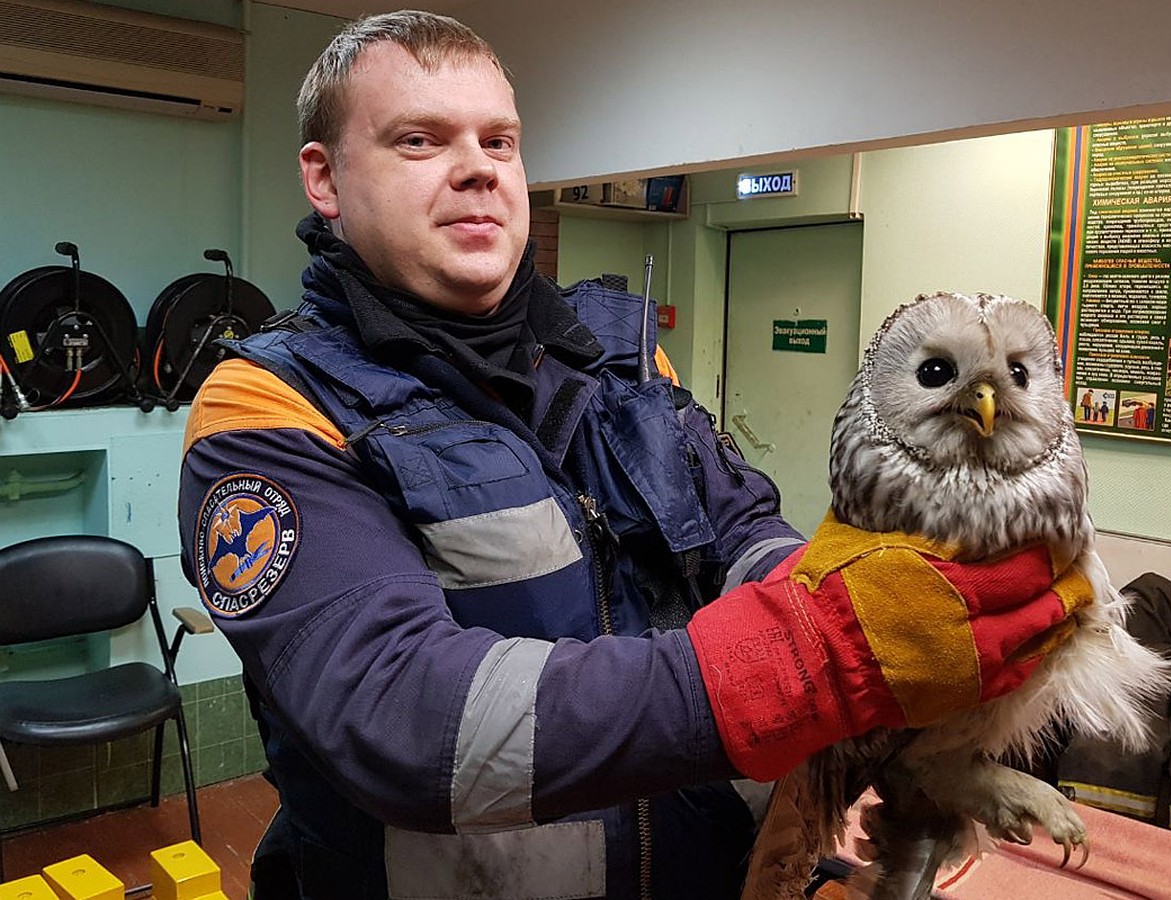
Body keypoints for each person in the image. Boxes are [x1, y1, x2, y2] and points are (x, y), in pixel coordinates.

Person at [176, 11, 1084, 900]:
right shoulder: (267, 407)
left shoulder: (619, 356)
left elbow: (741, 534)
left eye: (501, 140)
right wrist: (810, 658)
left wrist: (878, 596)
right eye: (420, 141)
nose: (477, 171)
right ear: (324, 178)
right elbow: (405, 718)